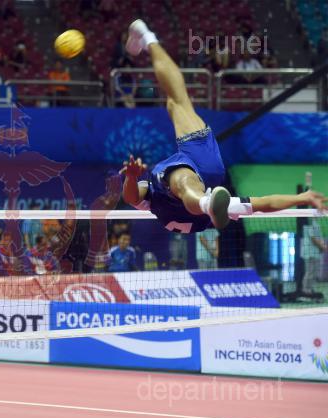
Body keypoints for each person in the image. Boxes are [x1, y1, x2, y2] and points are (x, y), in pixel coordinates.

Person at [120, 19, 328, 234]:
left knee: (173, 105)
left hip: (207, 178)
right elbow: (264, 203)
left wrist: (132, 178)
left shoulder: (152, 197)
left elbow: (131, 197)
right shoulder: (171, 193)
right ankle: (147, 37)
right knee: (179, 102)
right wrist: (301, 198)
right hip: (202, 167)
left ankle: (145, 39)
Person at [300, 218, 326, 301]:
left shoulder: (315, 223)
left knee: (314, 273)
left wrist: (322, 246)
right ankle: (305, 291)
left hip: (315, 252)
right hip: (310, 253)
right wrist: (322, 247)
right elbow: (313, 238)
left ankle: (310, 290)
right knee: (310, 272)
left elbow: (318, 237)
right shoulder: (310, 223)